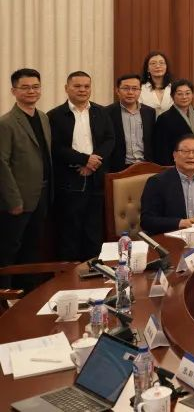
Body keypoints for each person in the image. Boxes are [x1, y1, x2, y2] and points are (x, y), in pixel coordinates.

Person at [48, 71, 115, 261]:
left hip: (96, 178)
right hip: (69, 181)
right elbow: (56, 147)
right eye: (77, 86)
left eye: (86, 86)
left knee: (94, 231)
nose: (82, 90)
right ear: (66, 88)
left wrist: (92, 163)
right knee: (70, 232)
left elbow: (110, 139)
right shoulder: (54, 115)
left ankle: (94, 271)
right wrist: (84, 160)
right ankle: (69, 274)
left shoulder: (101, 112)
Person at [0, 69, 52, 288]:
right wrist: (14, 201)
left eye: (35, 86)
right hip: (18, 200)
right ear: (14, 91)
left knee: (33, 248)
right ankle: (5, 296)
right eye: (25, 87)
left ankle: (29, 294)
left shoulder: (43, 117)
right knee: (9, 250)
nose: (31, 91)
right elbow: (2, 163)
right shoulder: (6, 123)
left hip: (42, 194)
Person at [139, 134, 194, 234]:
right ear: (174, 156)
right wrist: (179, 223)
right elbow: (146, 221)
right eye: (185, 151)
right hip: (169, 237)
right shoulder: (157, 182)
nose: (191, 156)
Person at [105, 73, 155, 172]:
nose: (130, 92)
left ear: (140, 91)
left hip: (146, 165)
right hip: (118, 168)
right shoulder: (107, 112)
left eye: (135, 88)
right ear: (117, 91)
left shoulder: (149, 112)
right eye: (126, 88)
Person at [151, 79, 194, 165]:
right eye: (179, 94)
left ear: (193, 95)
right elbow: (161, 148)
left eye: (187, 93)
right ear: (172, 96)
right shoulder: (164, 118)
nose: (184, 97)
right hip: (175, 164)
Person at [138, 51, 173, 117]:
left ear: (166, 67)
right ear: (147, 69)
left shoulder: (174, 88)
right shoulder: (140, 89)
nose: (158, 66)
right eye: (153, 63)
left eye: (161, 63)